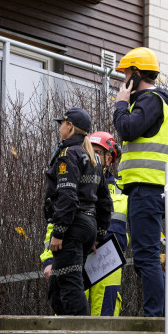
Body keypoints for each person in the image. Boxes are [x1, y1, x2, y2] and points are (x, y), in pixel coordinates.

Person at [112, 47, 168, 317]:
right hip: (149, 188)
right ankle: (163, 314)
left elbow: (127, 129)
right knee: (145, 258)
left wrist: (120, 103)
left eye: (126, 74)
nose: (123, 80)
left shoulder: (151, 100)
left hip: (147, 188)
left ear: (136, 75)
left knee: (147, 257)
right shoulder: (157, 103)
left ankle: (158, 317)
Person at [40, 131, 128, 316]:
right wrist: (49, 260)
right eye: (90, 150)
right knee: (67, 314)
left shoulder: (124, 192)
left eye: (97, 152)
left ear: (109, 158)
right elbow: (54, 225)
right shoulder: (71, 185)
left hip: (107, 265)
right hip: (73, 257)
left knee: (105, 322)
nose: (92, 155)